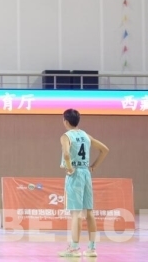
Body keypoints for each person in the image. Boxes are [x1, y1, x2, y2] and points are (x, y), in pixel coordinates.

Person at [58, 108, 109, 258]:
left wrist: (69, 168)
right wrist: (93, 166)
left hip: (75, 174)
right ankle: (92, 248)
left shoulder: (66, 136)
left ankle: (74, 248)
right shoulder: (86, 136)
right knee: (89, 213)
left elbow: (66, 154)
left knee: (76, 213)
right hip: (86, 173)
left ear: (65, 121)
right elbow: (105, 150)